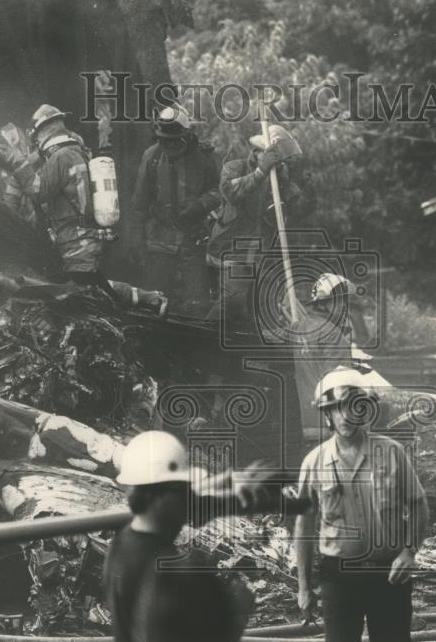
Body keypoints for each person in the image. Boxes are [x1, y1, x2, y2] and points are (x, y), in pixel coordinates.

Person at [294, 366, 430, 642]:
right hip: (339, 579)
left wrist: (409, 551)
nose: (345, 416)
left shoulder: (392, 452)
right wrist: (304, 587)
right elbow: (304, 526)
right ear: (327, 415)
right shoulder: (313, 463)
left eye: (353, 407)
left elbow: (418, 505)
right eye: (337, 409)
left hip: (389, 575)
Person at [104, 430, 269, 642]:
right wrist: (240, 603)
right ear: (160, 497)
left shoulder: (118, 547)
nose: (189, 500)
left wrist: (227, 481)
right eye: (183, 492)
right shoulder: (184, 571)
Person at [28, 104, 166, 314]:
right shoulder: (75, 152)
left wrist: (15, 164)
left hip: (78, 237)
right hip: (82, 235)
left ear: (45, 131)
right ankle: (149, 299)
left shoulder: (60, 157)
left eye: (37, 135)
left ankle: (148, 301)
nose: (37, 141)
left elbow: (39, 192)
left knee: (90, 291)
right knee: (88, 285)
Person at [205, 125, 302, 331]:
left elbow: (290, 211)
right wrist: (260, 172)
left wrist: (292, 193)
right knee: (232, 301)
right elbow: (231, 192)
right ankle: (204, 336)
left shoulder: (278, 178)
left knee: (261, 309)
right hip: (231, 249)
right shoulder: (234, 167)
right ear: (258, 153)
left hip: (260, 252)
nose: (280, 165)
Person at [130, 105, 221, 317]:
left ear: (187, 135)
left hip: (194, 238)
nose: (169, 144)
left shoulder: (204, 157)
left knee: (197, 303)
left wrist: (201, 205)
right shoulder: (152, 157)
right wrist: (136, 239)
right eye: (164, 139)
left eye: (174, 139)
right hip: (160, 239)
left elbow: (219, 190)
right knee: (154, 300)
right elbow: (139, 203)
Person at [291, 274, 371, 440]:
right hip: (331, 425)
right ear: (325, 303)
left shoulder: (299, 328)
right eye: (341, 301)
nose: (345, 308)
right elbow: (340, 387)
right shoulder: (333, 335)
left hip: (305, 420)